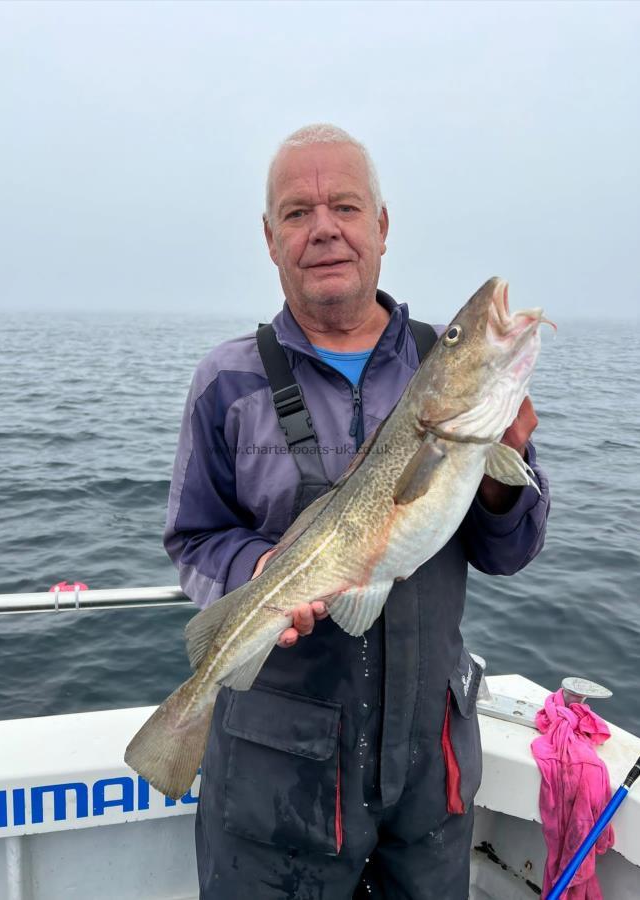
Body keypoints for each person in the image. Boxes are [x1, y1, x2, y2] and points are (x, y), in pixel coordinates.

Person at [164, 124, 550, 899]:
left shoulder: (439, 375)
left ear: (381, 225)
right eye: (297, 212)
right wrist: (256, 568)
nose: (323, 229)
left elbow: (508, 553)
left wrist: (502, 476)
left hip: (428, 771)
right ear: (269, 239)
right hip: (271, 778)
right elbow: (193, 537)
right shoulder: (225, 381)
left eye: (344, 205)